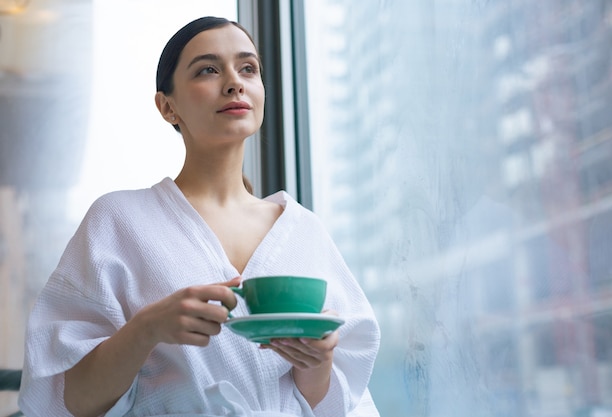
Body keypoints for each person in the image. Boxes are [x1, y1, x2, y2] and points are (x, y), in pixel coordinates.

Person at [18, 16, 380, 417]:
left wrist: (318, 363)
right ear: (167, 106)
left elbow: (335, 404)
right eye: (208, 69)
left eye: (248, 68)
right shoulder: (118, 220)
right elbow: (71, 401)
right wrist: (148, 328)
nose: (234, 82)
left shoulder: (304, 231)